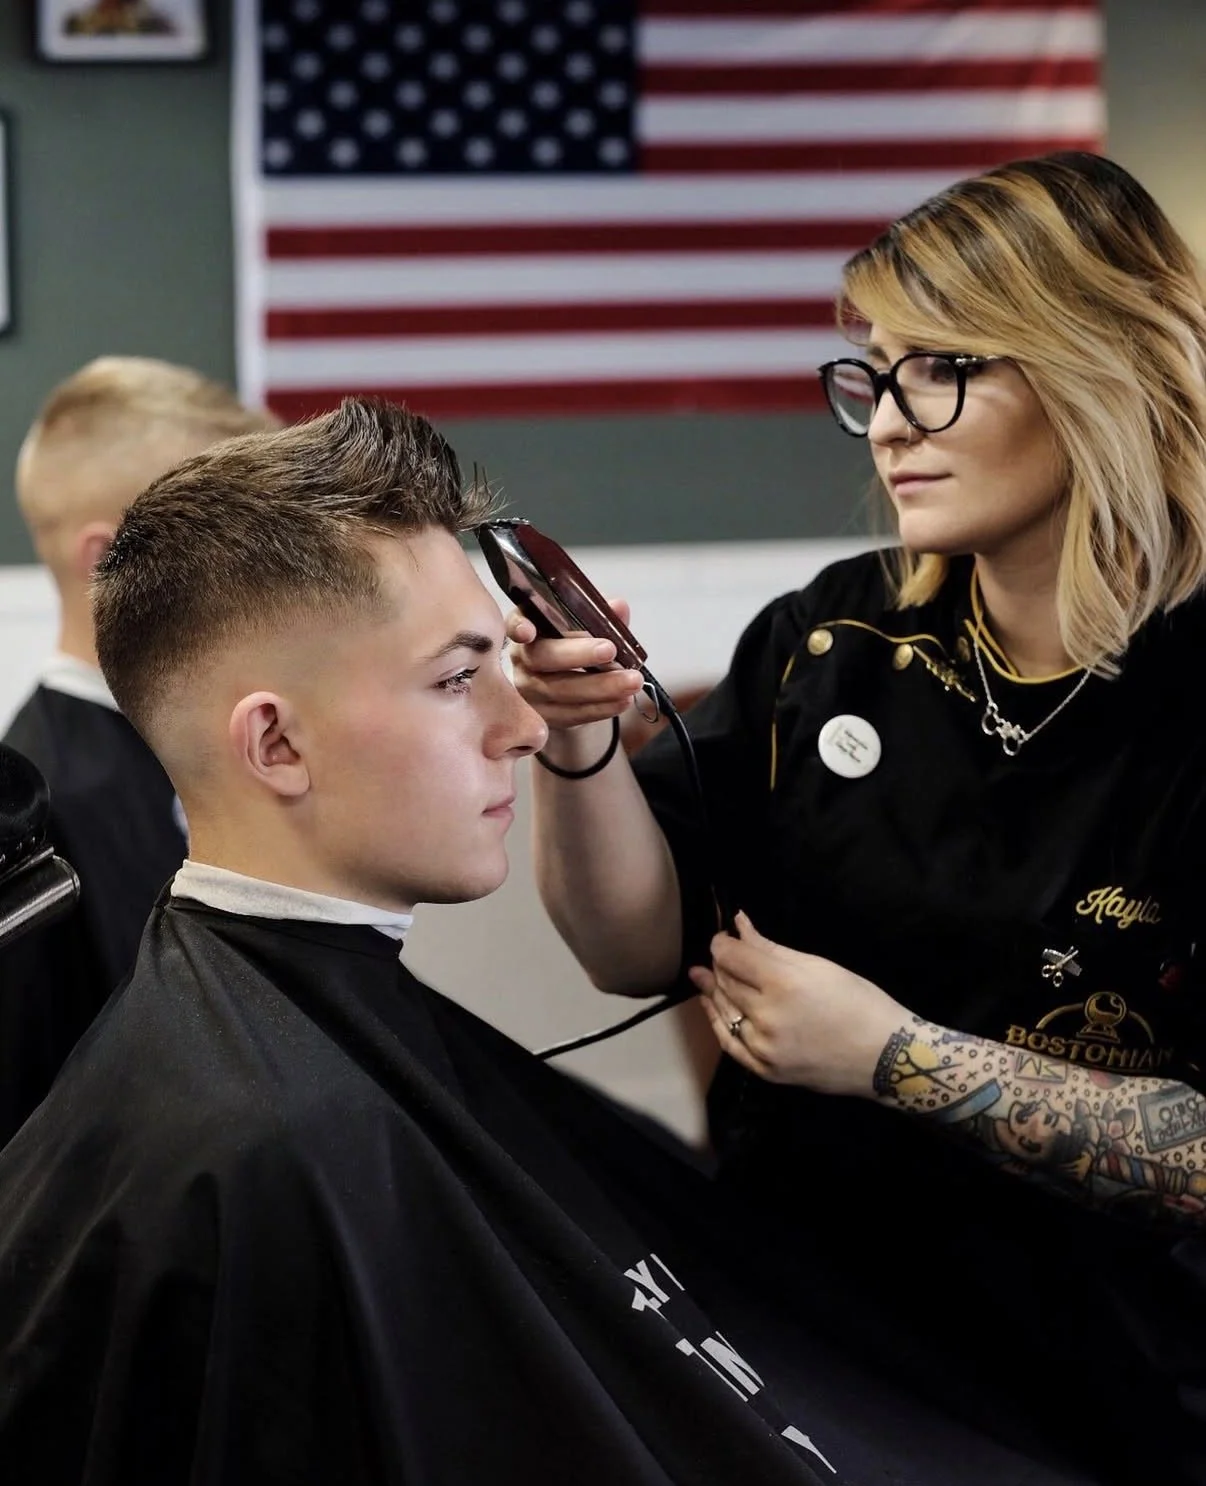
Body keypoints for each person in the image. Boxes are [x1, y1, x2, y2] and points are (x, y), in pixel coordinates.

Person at [1, 394, 1085, 1486]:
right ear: (275, 742)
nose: (521, 726)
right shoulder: (266, 1151)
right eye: (458, 678)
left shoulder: (279, 1073)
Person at [510, 151, 1206, 1485]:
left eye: (941, 365)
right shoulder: (830, 637)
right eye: (874, 373)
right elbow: (630, 947)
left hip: (1119, 1397)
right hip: (814, 1352)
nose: (888, 420)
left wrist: (896, 1054)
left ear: (1097, 366)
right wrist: (578, 747)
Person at [0, 356, 276, 1143]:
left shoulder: (214, 751)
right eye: (230, 534)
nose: (267, 569)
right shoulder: (38, 817)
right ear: (106, 559)